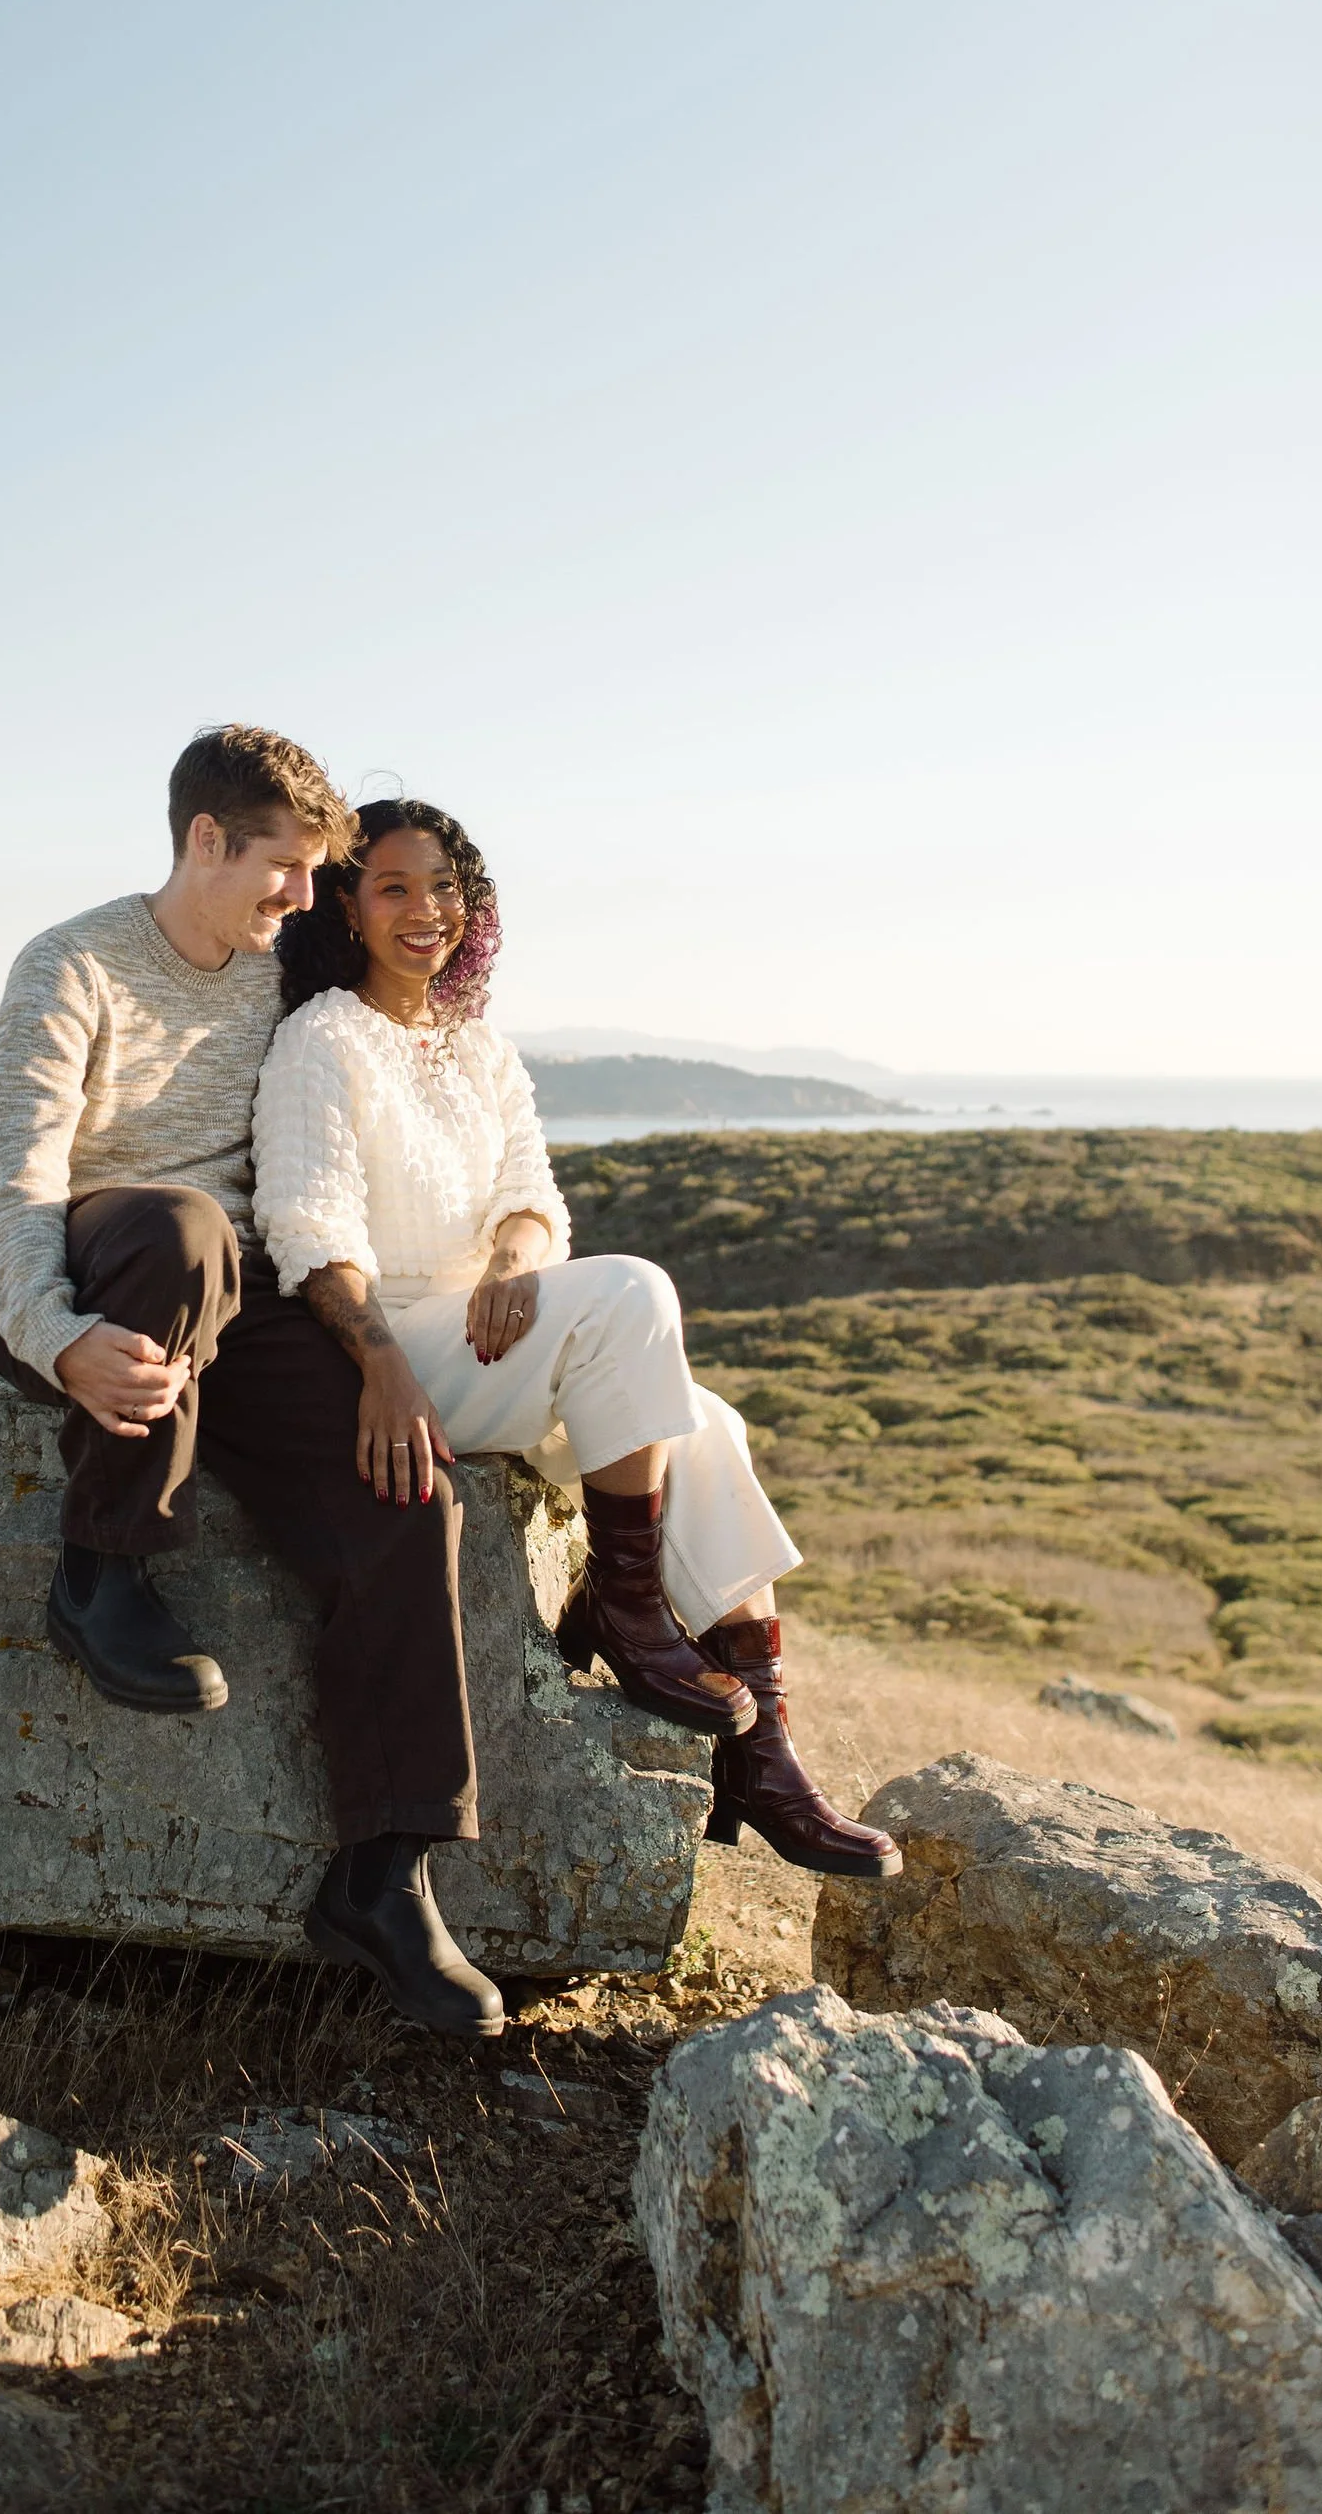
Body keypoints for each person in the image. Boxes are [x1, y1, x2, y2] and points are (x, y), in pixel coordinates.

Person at [0, 725, 508, 2041]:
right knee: (184, 1225)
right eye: (286, 867)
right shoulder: (73, 963)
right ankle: (104, 1568)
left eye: (318, 874)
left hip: (241, 1301)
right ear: (205, 838)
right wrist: (55, 1337)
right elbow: (12, 1180)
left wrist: (389, 1332)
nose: (305, 897)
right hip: (96, 1265)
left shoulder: (285, 975)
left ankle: (382, 1876)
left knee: (407, 1497)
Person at [252, 797, 900, 1884]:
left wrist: (515, 1260)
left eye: (444, 887)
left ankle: (764, 1754)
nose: (425, 910)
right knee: (633, 1290)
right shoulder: (320, 1039)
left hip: (493, 1328)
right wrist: (380, 1365)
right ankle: (632, 1613)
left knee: (705, 1421)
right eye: (393, 888)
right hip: (396, 1351)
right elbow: (305, 1228)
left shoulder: (478, 1046)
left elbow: (533, 1196)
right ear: (347, 909)